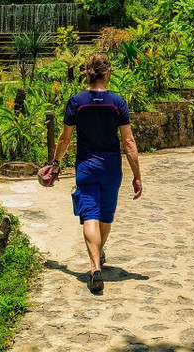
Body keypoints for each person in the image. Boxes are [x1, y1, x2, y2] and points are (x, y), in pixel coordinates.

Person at [50, 52, 142, 293]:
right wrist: (137, 175)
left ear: (87, 73)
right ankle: (98, 256)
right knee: (105, 215)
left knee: (90, 213)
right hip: (111, 168)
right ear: (108, 73)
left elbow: (65, 138)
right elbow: (129, 142)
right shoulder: (118, 102)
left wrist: (55, 162)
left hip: (86, 167)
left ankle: (94, 267)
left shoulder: (77, 101)